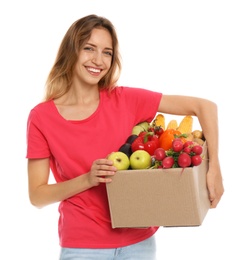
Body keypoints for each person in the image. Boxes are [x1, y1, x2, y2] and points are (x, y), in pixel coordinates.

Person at [26, 14, 224, 260]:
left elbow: (205, 106)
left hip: (139, 243)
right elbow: (37, 195)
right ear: (71, 51)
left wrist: (214, 167)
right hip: (83, 247)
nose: (98, 60)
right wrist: (88, 179)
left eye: (107, 52)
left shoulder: (125, 99)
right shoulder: (42, 117)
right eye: (89, 48)